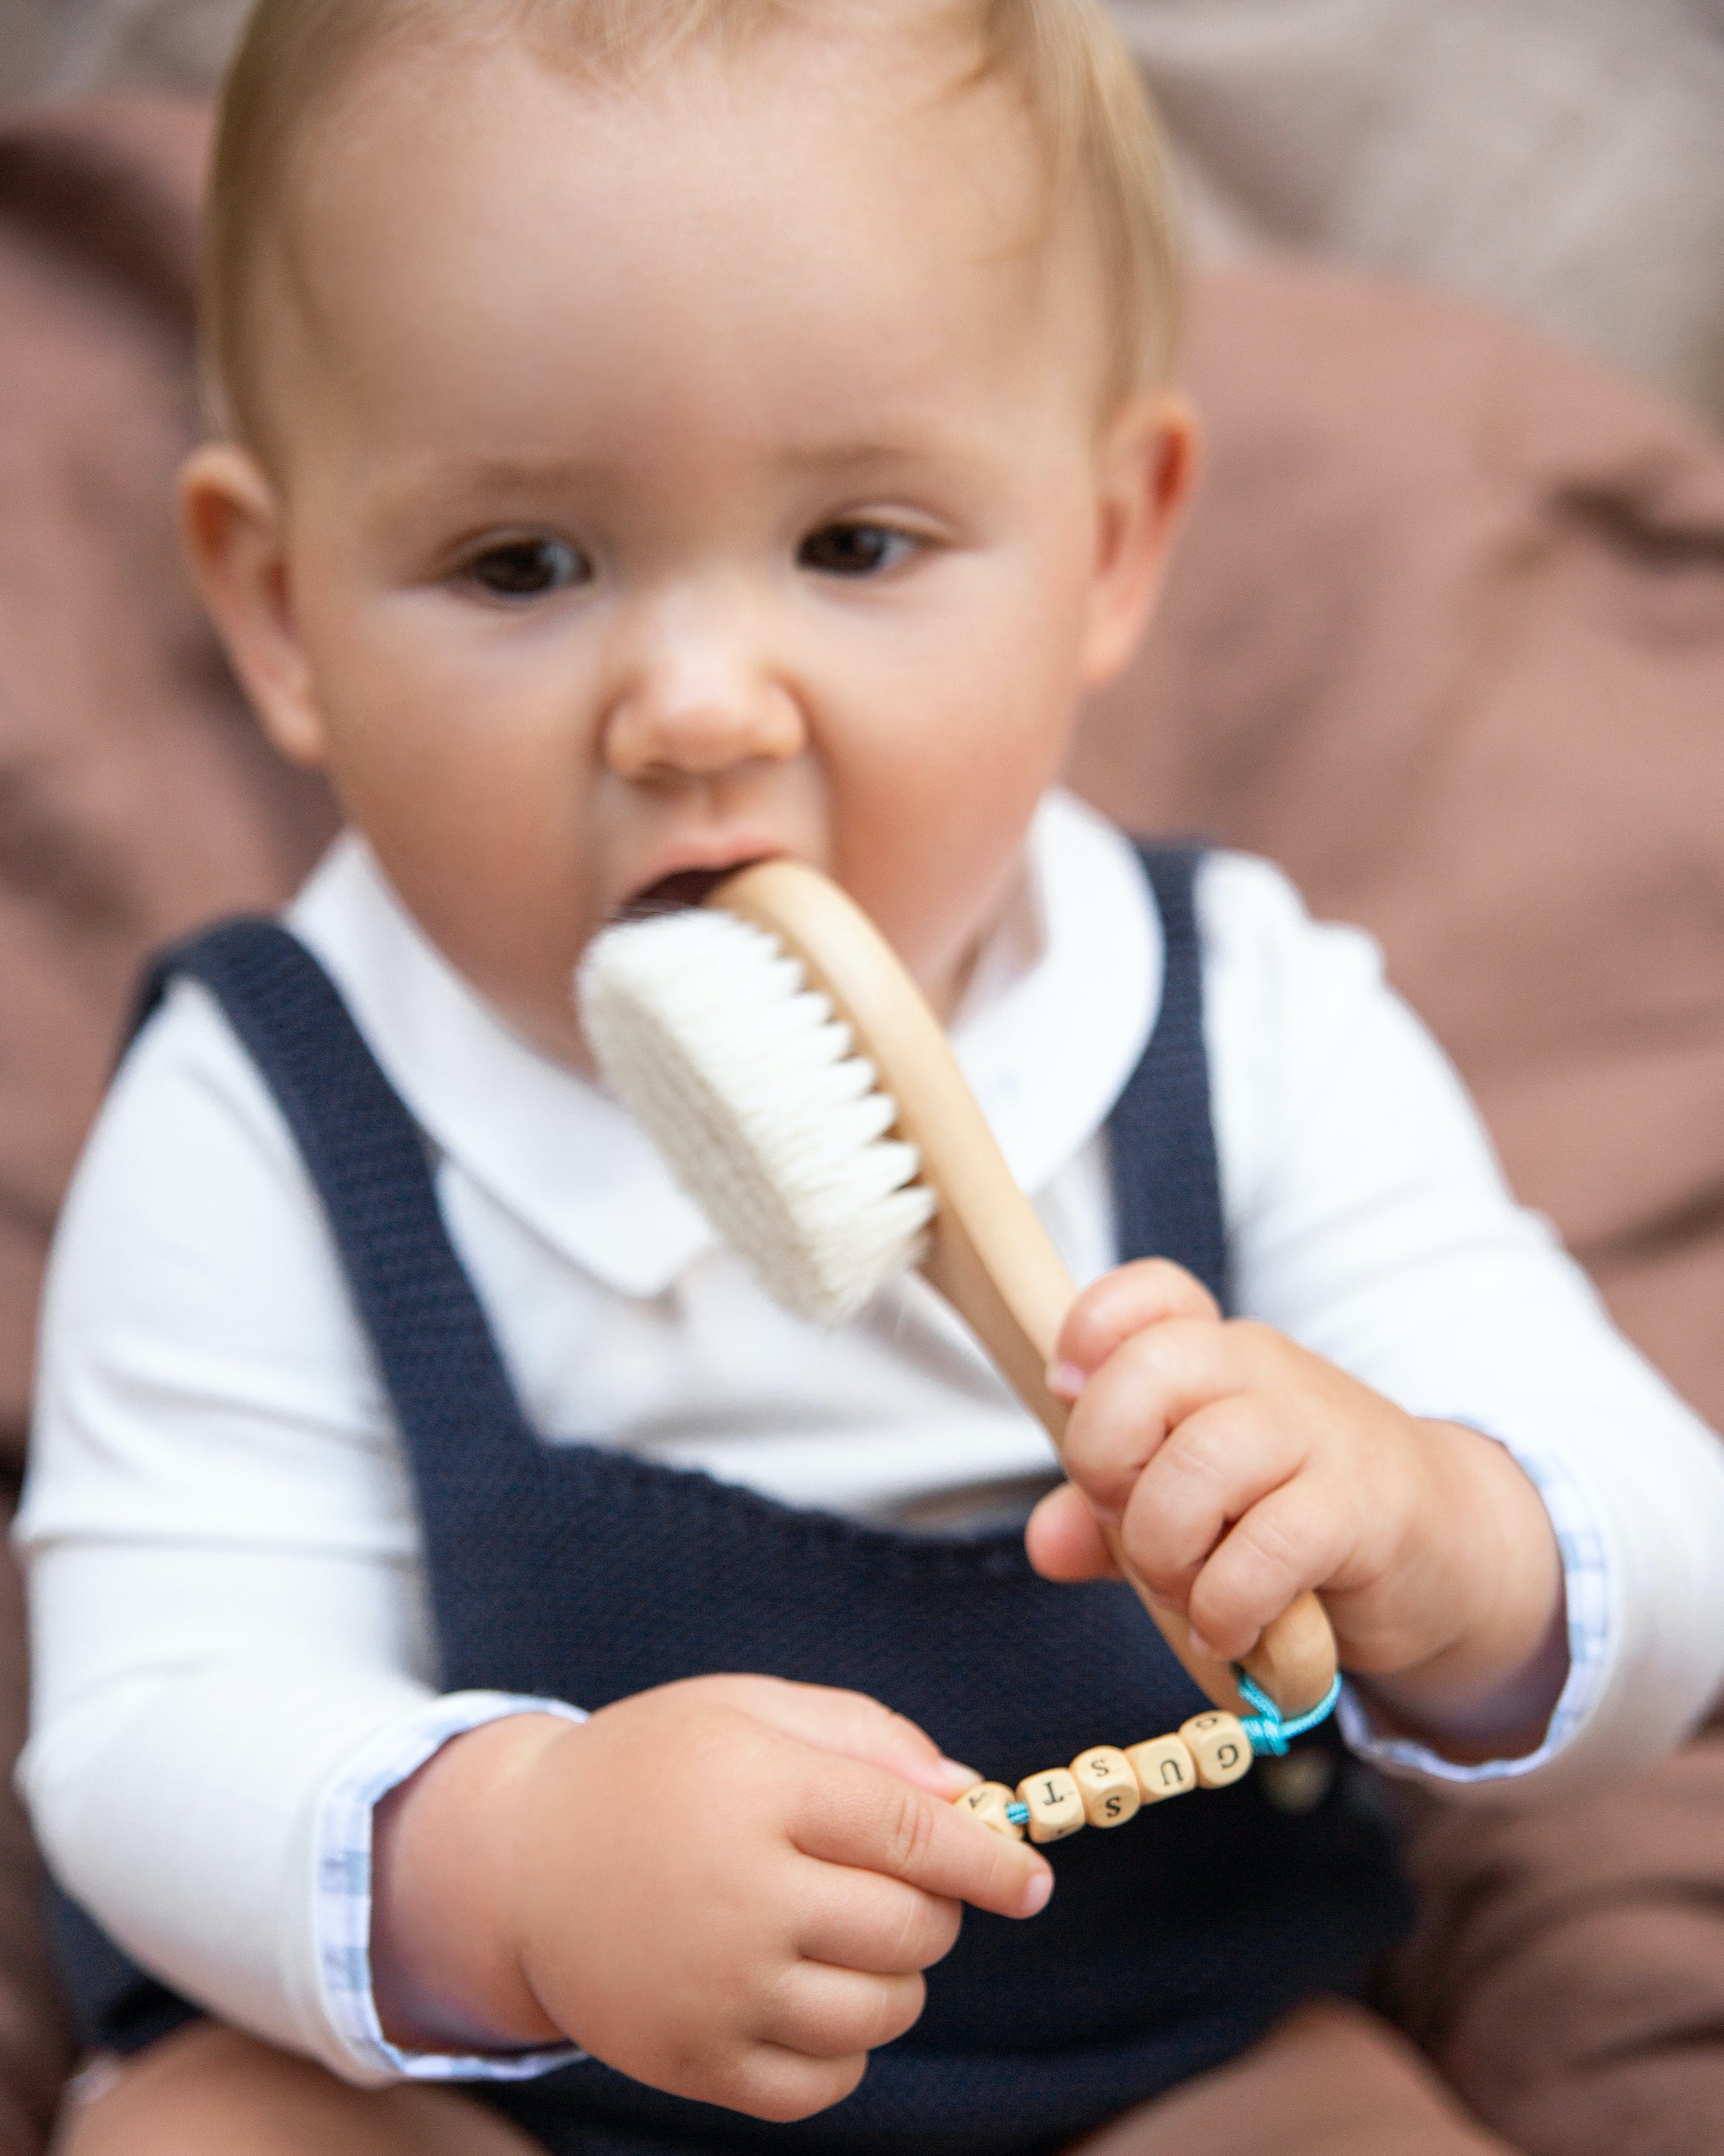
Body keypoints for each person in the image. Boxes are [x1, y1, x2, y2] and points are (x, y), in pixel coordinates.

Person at [17, 2, 1724, 2150]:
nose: (699, 704)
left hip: (1153, 2047)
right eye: (521, 564)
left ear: (1113, 545)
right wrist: (518, 1863)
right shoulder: (272, 1101)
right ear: (281, 615)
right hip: (511, 2081)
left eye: (856, 546)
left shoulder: (1244, 1016)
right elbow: (145, 1725)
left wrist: (1447, 1532)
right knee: (200, 2130)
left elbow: (1666, 1559)